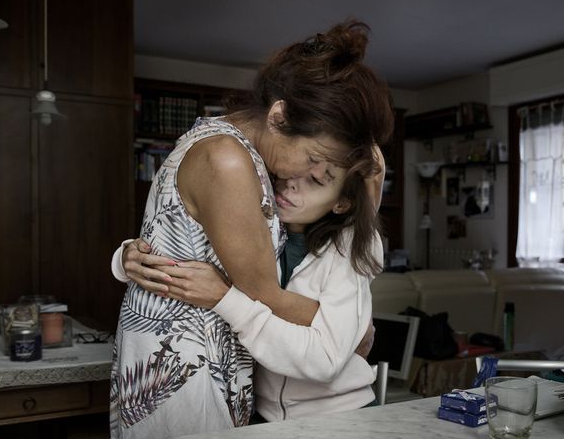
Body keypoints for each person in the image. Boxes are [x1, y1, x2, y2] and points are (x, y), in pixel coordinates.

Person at [109, 19, 392, 439]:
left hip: (215, 361)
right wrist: (350, 330)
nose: (305, 176)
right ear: (280, 116)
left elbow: (179, 238)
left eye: (322, 175)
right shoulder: (230, 161)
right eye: (314, 160)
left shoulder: (235, 149)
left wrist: (125, 256)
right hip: (187, 370)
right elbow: (265, 297)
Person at [115, 153, 383, 421]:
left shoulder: (351, 244)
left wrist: (226, 299)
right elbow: (189, 254)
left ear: (342, 202)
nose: (291, 183)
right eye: (293, 169)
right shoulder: (260, 222)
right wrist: (127, 257)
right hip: (262, 417)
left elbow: (324, 360)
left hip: (341, 415)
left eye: (314, 180)